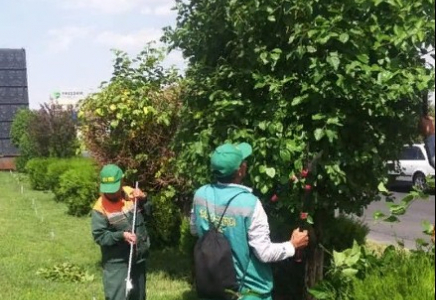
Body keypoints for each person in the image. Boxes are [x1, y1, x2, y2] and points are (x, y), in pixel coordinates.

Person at [190, 142, 309, 300]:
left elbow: (194, 229)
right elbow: (264, 253)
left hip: (214, 287)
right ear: (240, 171)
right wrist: (293, 245)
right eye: (243, 162)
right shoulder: (250, 204)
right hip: (249, 292)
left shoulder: (200, 195)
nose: (246, 164)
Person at [91, 164, 150, 300]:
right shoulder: (100, 208)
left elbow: (148, 214)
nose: (111, 193)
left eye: (114, 189)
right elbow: (100, 236)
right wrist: (121, 235)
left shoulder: (131, 193)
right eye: (108, 189)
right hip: (116, 264)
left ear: (122, 182)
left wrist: (144, 199)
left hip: (138, 258)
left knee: (139, 297)